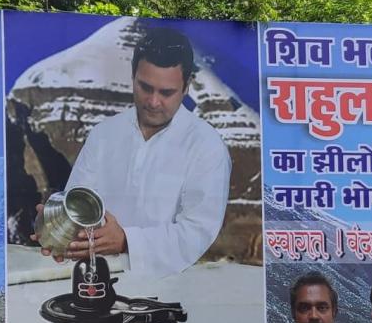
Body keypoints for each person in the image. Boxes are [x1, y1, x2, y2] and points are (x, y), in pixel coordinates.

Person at [35, 26, 231, 279]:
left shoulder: (207, 146)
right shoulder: (104, 134)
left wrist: (127, 240)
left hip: (172, 290)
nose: (153, 101)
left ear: (186, 87)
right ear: (133, 77)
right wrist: (57, 226)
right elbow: (78, 201)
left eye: (166, 92)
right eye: (145, 87)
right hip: (96, 279)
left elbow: (196, 232)